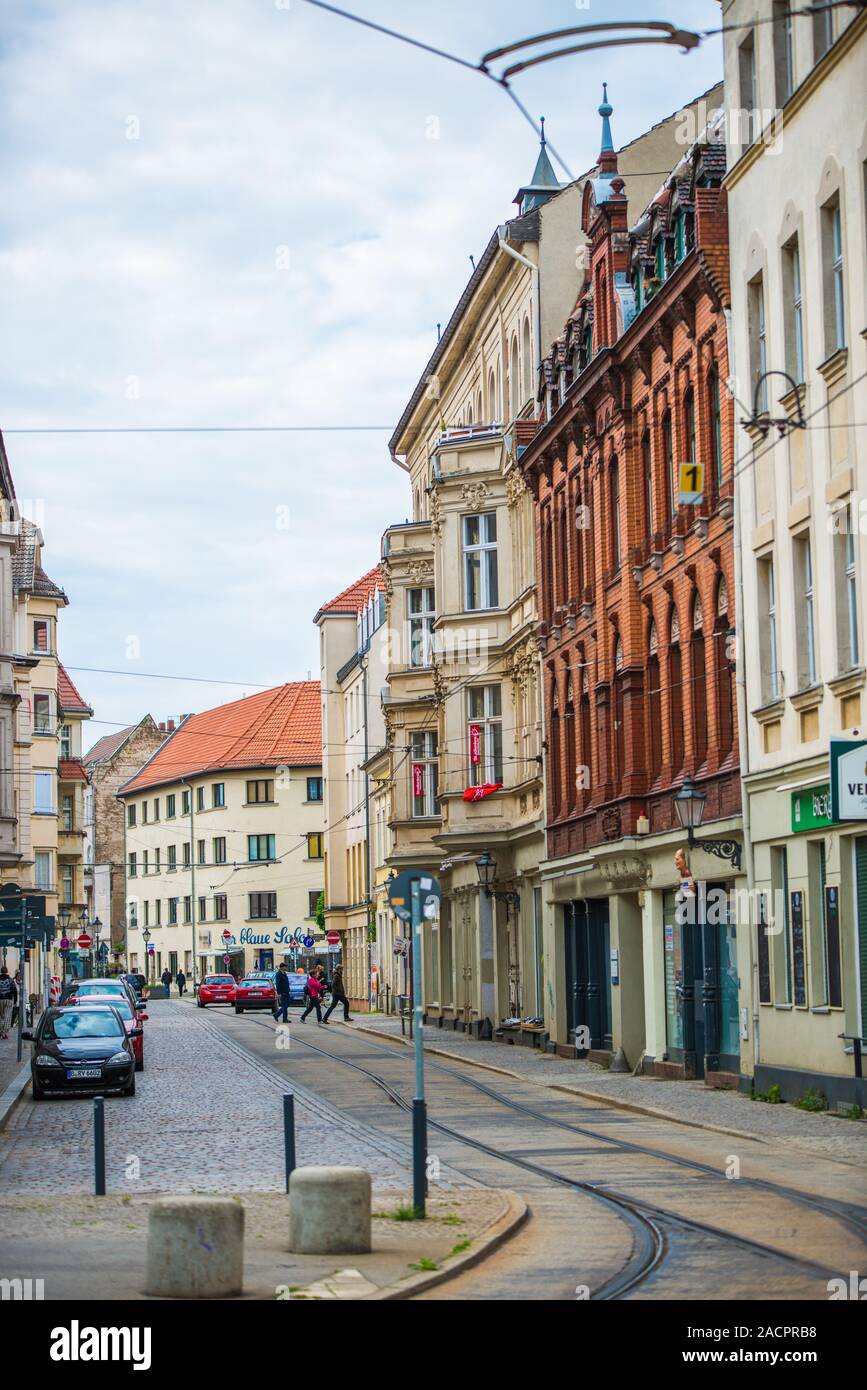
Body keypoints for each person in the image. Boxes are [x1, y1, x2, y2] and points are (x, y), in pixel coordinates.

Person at [0, 967, 16, 1040]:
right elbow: (14, 990)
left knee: (1, 1016)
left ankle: (1, 1031)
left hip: (0, 1000)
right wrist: (15, 1000)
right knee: (7, 1016)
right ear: (7, 971)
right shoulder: (10, 980)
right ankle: (5, 1033)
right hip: (9, 1000)